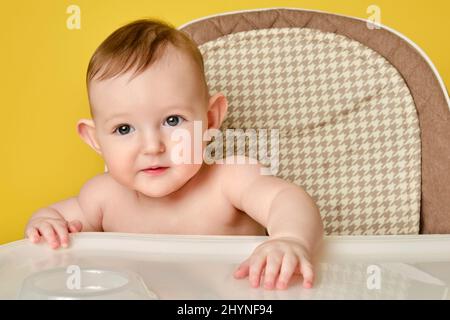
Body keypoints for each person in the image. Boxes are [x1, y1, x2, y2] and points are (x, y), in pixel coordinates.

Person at [25, 19, 323, 290]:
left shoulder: (230, 179)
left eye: (172, 121)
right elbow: (52, 219)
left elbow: (288, 199)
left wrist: (289, 239)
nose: (152, 147)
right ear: (95, 139)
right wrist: (46, 225)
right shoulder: (103, 198)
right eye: (124, 128)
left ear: (210, 119)